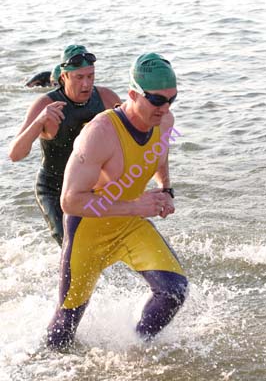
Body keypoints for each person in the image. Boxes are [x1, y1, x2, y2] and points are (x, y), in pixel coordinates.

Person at [47, 53, 188, 350]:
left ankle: (135, 350)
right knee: (65, 325)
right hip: (88, 232)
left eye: (172, 100)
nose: (165, 109)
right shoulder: (100, 133)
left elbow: (159, 155)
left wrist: (166, 189)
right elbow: (70, 201)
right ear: (134, 94)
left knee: (173, 291)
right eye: (157, 100)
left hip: (129, 226)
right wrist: (137, 206)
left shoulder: (165, 121)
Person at [9, 45, 121, 246]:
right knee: (73, 246)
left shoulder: (106, 98)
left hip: (92, 188)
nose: (86, 84)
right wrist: (39, 122)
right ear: (64, 77)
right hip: (54, 190)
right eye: (79, 77)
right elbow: (15, 154)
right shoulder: (45, 104)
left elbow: (128, 139)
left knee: (111, 245)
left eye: (91, 76)